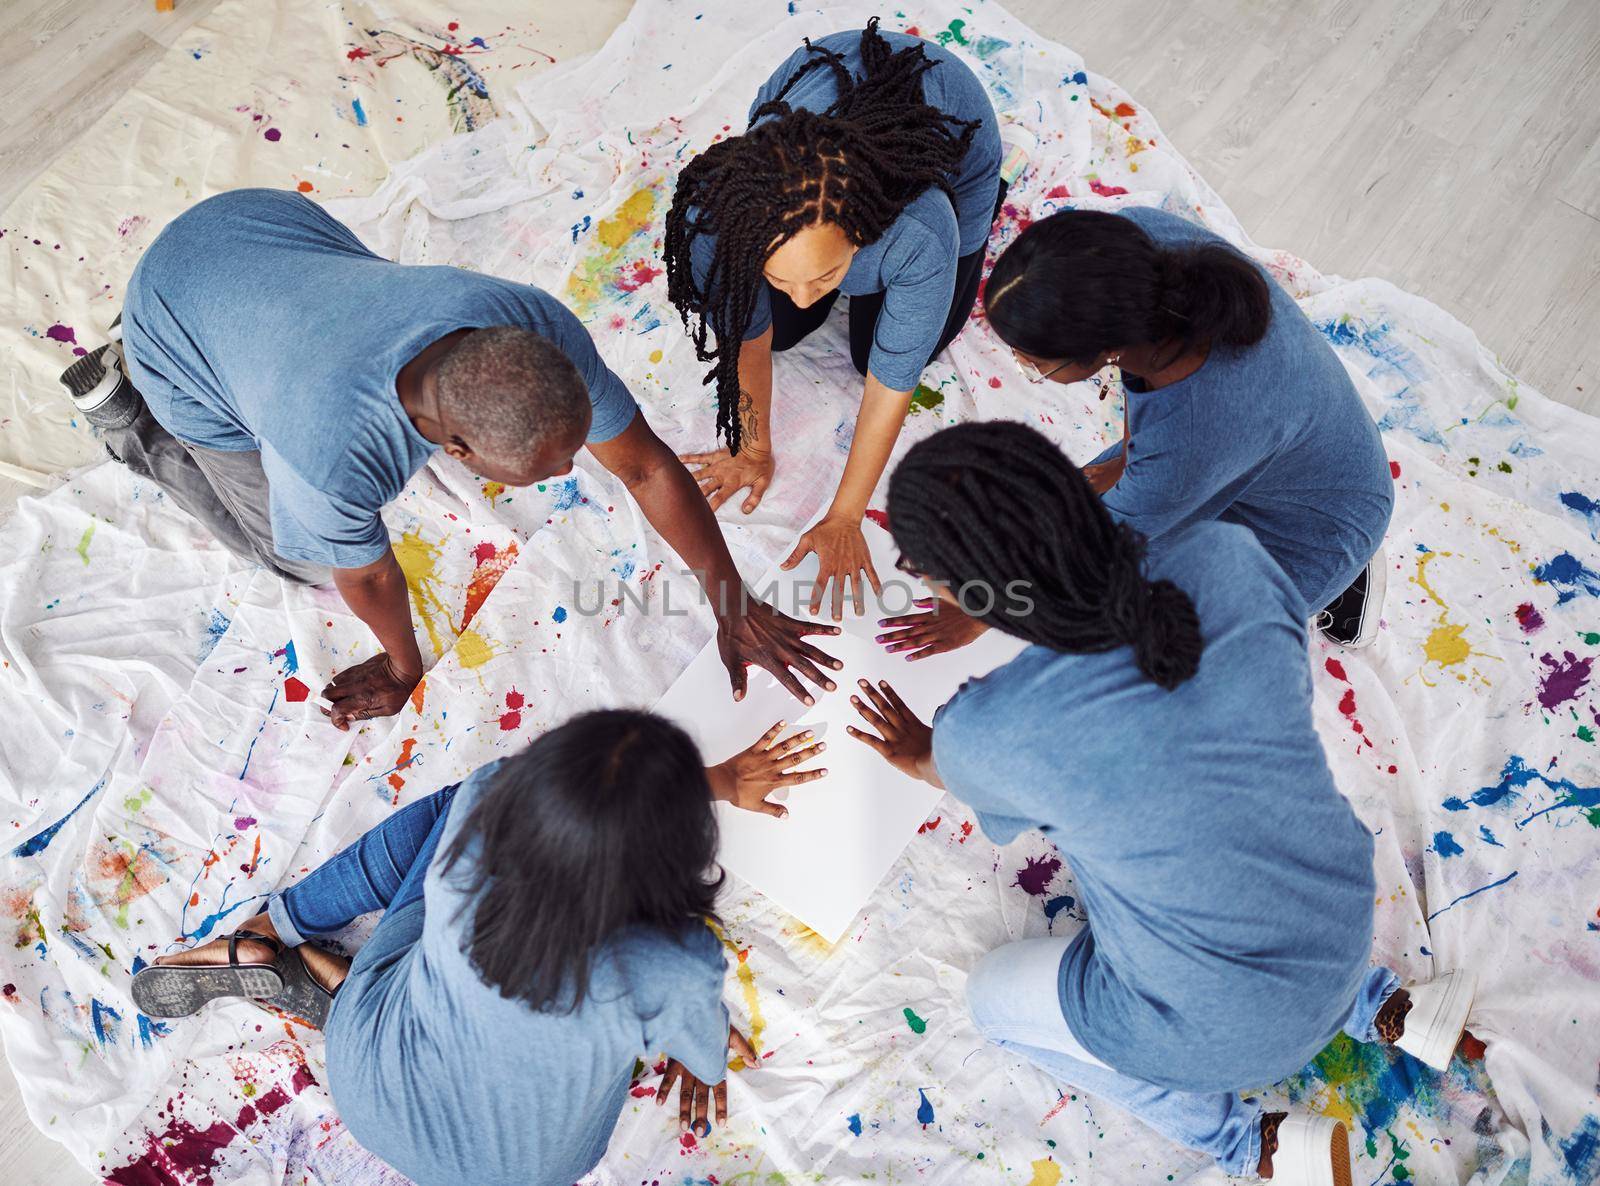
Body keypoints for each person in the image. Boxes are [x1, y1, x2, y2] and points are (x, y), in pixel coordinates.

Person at [847, 424, 1476, 1185]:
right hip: (1343, 921)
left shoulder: (993, 729)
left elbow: (936, 766)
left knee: (990, 997)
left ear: (960, 592)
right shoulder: (1227, 557)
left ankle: (1253, 1144)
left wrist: (925, 745)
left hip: (1221, 1035)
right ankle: (1383, 1006)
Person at [60, 188, 842, 727]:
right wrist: (403, 670)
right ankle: (131, 425)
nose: (574, 472)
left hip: (259, 222)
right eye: (546, 469)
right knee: (292, 556)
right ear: (454, 446)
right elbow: (366, 575)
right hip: (172, 320)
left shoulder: (530, 320)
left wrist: (731, 601)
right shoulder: (329, 455)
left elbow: (643, 465)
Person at [131, 710, 827, 1186]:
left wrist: (689, 783)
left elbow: (522, 782)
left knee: (451, 809)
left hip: (367, 1088)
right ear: (676, 851)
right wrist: (699, 1059)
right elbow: (702, 1051)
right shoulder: (672, 963)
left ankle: (273, 930)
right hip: (523, 1175)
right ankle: (335, 988)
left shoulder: (480, 829)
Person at [889, 205, 1392, 655]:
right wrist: (1122, 462)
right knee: (1072, 502)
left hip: (1315, 529)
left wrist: (977, 603)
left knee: (1158, 641)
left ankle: (1350, 575)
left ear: (1102, 349)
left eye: (1031, 364)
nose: (1020, 365)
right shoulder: (1134, 246)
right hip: (1279, 447)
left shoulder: (1194, 436)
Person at [664, 18, 1027, 620]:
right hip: (823, 88)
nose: (804, 297)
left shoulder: (917, 228)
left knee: (873, 354)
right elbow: (746, 339)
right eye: (782, 278)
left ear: (865, 234)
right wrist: (753, 450)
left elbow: (891, 381)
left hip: (952, 144)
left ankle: (991, 188)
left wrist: (844, 515)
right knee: (785, 331)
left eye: (827, 277)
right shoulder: (716, 220)